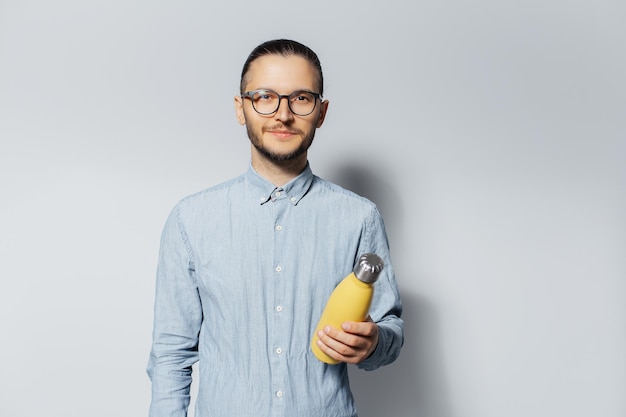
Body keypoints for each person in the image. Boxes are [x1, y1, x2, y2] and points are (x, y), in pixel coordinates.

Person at [147, 38, 404, 417]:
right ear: (241, 108)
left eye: (301, 98)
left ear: (321, 111)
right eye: (265, 97)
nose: (283, 114)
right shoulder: (191, 220)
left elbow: (390, 329)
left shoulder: (359, 218)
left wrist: (374, 342)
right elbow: (170, 355)